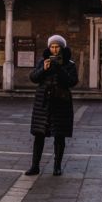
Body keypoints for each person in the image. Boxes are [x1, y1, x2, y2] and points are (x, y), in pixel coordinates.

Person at [26, 34, 78, 176]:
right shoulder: (43, 61)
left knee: (59, 136)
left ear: (62, 48)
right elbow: (33, 78)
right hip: (43, 102)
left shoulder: (70, 64)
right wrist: (43, 69)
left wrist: (59, 68)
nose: (54, 50)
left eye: (57, 47)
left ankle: (57, 166)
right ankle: (35, 166)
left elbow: (72, 81)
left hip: (61, 102)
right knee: (39, 134)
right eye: (52, 47)